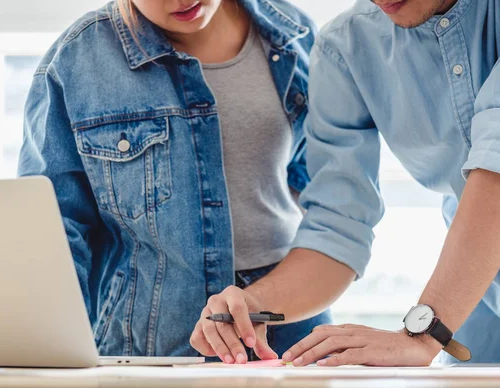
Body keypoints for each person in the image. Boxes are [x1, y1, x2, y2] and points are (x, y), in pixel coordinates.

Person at [192, 0, 500, 366]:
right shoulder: (347, 45)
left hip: (453, 308)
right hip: (481, 304)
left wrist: (423, 333)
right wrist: (257, 304)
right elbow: (337, 228)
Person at [18, 0, 328, 362]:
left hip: (289, 329)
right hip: (152, 344)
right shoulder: (76, 62)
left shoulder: (294, 35)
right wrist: (49, 354)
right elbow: (55, 229)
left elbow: (328, 203)